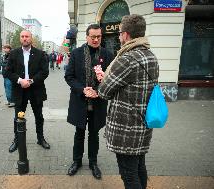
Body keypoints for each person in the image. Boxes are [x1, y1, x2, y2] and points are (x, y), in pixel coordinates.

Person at [97, 14, 159, 189]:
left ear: (125, 35)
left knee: (129, 175)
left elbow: (103, 91)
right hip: (144, 124)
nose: (118, 36)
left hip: (127, 128)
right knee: (139, 167)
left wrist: (104, 78)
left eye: (119, 33)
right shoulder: (151, 56)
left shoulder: (127, 58)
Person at [64, 24, 113, 179]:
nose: (96, 39)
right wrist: (82, 89)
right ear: (86, 37)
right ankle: (76, 161)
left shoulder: (108, 54)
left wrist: (98, 91)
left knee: (94, 134)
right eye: (93, 36)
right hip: (80, 101)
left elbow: (111, 79)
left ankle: (93, 163)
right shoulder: (76, 53)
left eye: (99, 36)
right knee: (79, 133)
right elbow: (69, 76)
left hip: (98, 102)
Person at [6, 30, 50, 153]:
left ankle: (40, 139)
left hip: (36, 90)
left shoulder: (40, 54)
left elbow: (44, 72)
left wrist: (30, 81)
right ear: (20, 39)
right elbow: (8, 72)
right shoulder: (14, 53)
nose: (25, 38)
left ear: (31, 38)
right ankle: (17, 140)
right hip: (20, 90)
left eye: (27, 36)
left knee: (39, 116)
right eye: (22, 36)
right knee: (18, 117)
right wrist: (20, 81)